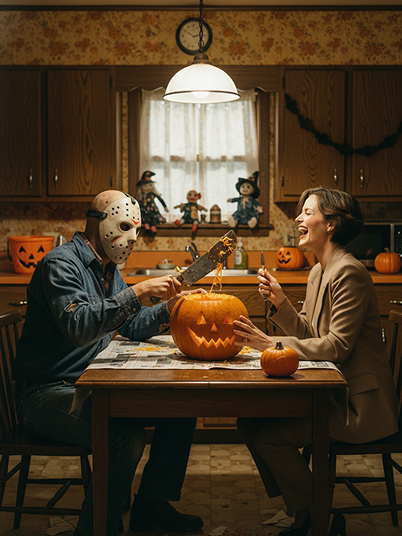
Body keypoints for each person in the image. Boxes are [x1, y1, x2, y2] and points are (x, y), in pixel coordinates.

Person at [13, 190, 205, 536]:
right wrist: (139, 290)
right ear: (97, 222)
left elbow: (130, 324)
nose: (131, 238)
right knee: (124, 438)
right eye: (124, 226)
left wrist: (171, 307)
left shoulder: (106, 268)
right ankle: (96, 529)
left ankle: (150, 507)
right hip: (45, 394)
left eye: (136, 230)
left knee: (180, 407)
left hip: (89, 385)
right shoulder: (60, 264)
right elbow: (80, 326)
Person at [232, 187, 399, 536]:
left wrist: (271, 342)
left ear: (332, 225)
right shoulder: (318, 271)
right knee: (249, 421)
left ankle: (316, 514)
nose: (298, 219)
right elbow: (310, 334)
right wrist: (280, 303)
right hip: (333, 394)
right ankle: (304, 507)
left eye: (308, 212)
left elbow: (336, 346)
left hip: (358, 405)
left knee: (269, 436)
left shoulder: (348, 273)